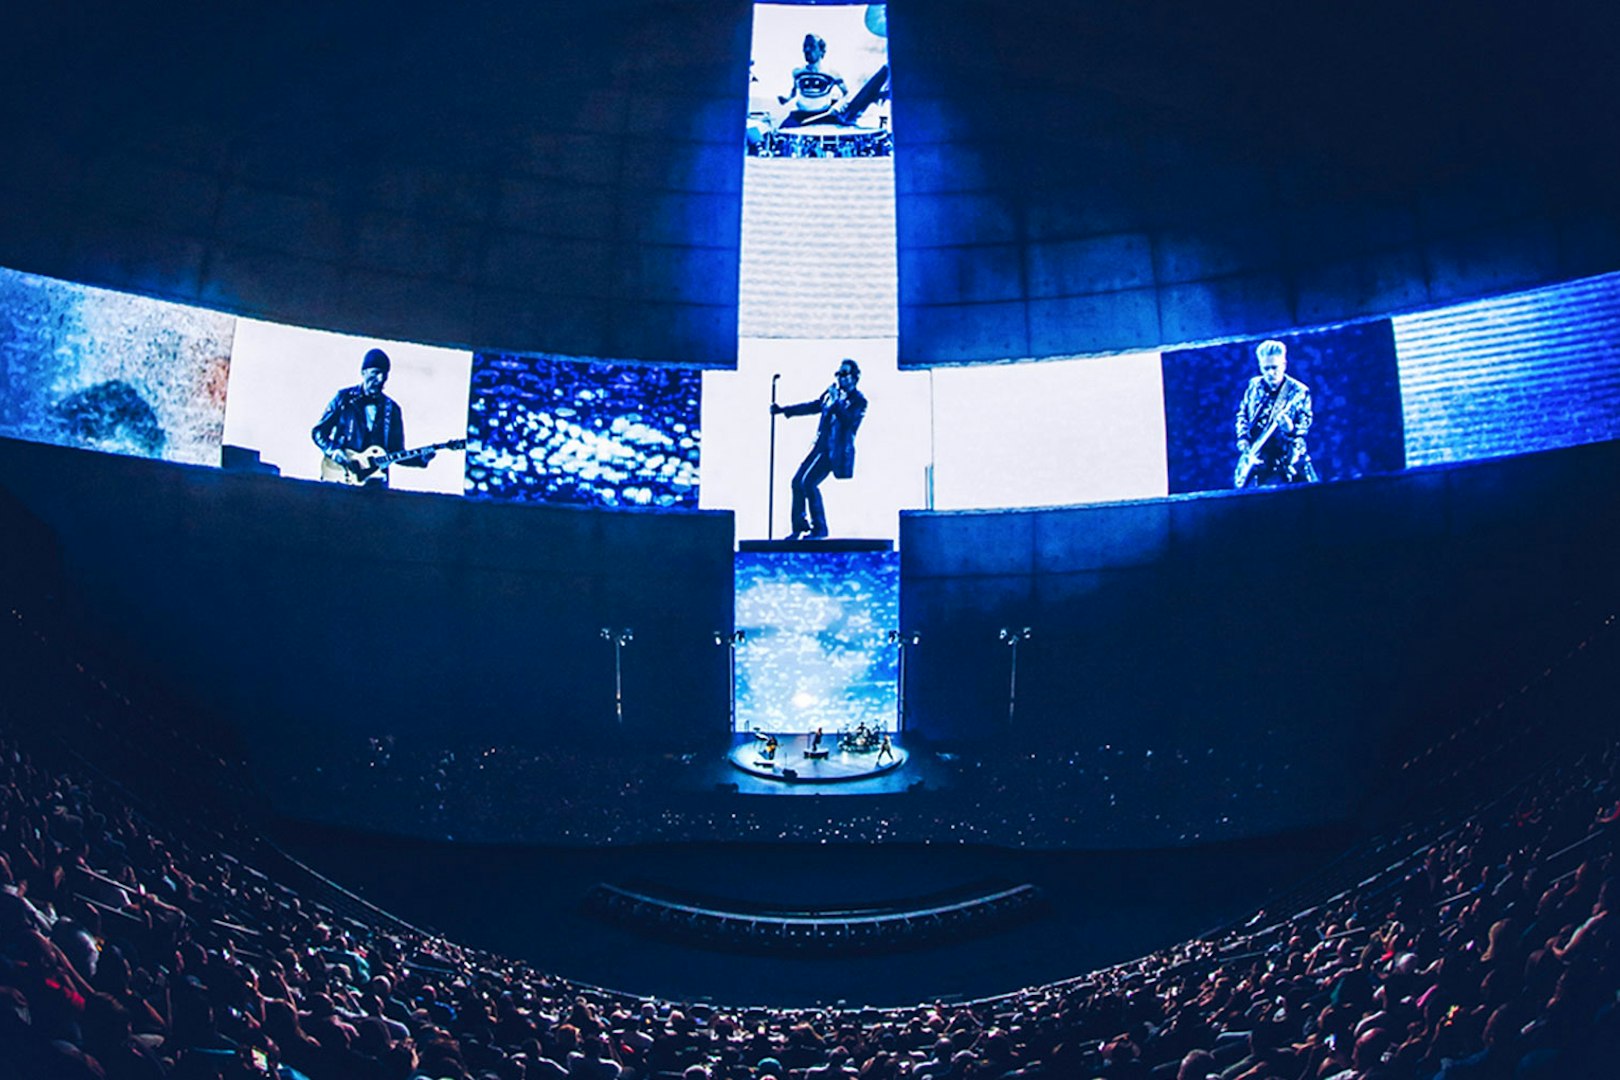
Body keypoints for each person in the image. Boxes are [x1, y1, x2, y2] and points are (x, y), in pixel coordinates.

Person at [312, 348, 435, 487]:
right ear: (363, 373)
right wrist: (334, 451)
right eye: (375, 373)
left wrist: (421, 459)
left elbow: (397, 453)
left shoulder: (392, 409)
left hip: (375, 486)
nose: (381, 379)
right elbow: (318, 433)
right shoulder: (344, 398)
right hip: (341, 477)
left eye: (384, 374)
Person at [773, 359, 867, 540]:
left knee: (808, 483)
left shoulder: (859, 401)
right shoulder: (831, 393)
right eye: (838, 374)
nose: (840, 378)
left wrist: (836, 403)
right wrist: (785, 410)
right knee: (796, 482)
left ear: (855, 377)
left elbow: (849, 422)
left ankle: (820, 529)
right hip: (820, 448)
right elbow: (814, 406)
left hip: (836, 452)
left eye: (844, 374)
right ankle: (799, 527)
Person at [1233, 339, 1317, 487]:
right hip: (1258, 460)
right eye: (1266, 369)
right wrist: (1243, 438)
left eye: (1275, 367)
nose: (1271, 373)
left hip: (1288, 460)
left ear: (1284, 365)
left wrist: (1290, 429)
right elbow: (1243, 414)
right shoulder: (1254, 386)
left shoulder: (1299, 392)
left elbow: (1304, 425)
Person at [778, 34, 849, 128]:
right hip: (800, 116)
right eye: (805, 46)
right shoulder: (797, 72)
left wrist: (837, 107)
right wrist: (787, 99)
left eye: (812, 46)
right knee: (781, 134)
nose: (807, 50)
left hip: (824, 115)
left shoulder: (832, 73)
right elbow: (794, 91)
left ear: (821, 51)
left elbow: (847, 94)